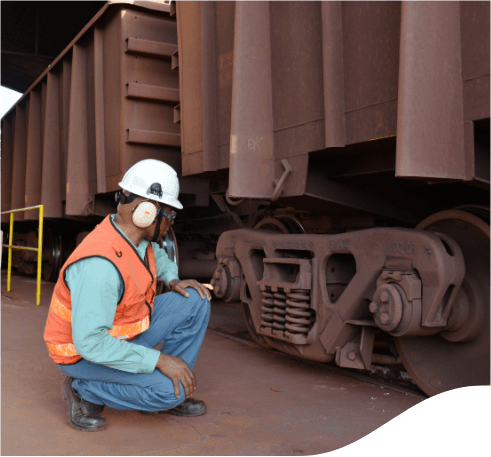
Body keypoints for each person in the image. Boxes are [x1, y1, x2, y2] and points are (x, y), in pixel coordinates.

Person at [44, 159, 212, 432]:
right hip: (84, 355)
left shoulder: (133, 238)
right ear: (146, 211)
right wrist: (159, 360)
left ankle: (178, 379)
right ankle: (84, 389)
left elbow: (157, 256)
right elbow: (91, 344)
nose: (171, 222)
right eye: (169, 214)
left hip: (118, 336)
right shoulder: (99, 267)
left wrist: (173, 278)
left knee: (195, 300)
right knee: (169, 393)